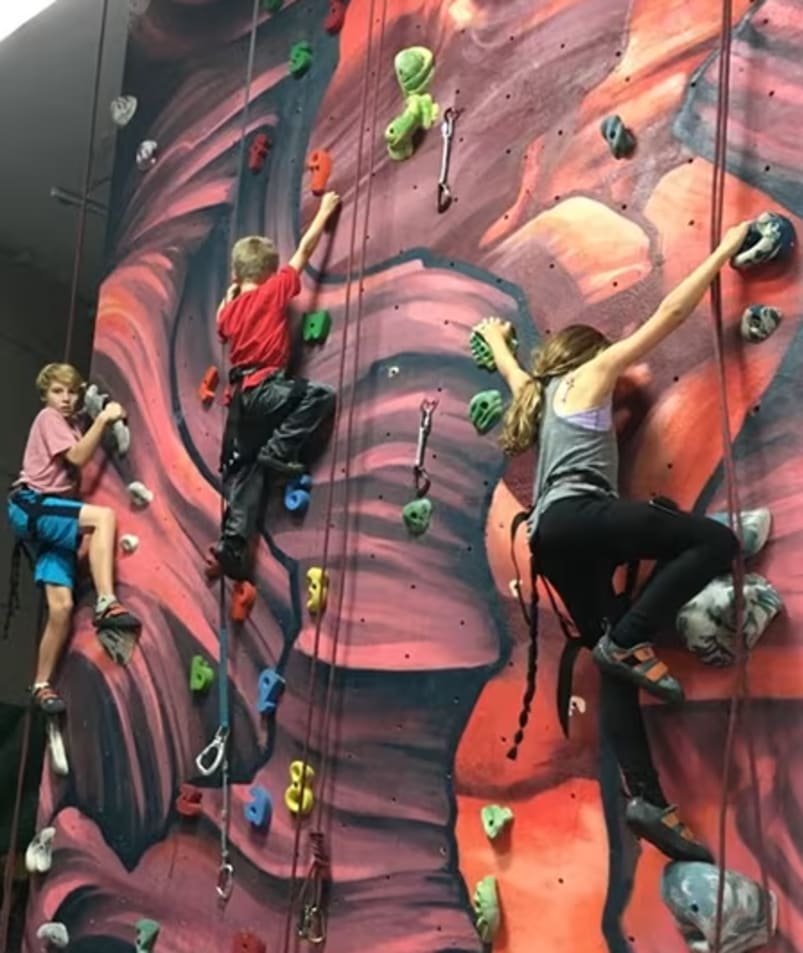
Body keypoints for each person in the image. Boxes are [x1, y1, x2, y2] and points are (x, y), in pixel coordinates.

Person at [474, 220, 752, 862]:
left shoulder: (540, 396)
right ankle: (630, 640)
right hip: (581, 519)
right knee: (713, 543)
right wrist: (726, 246)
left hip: (550, 540)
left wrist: (499, 342)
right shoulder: (593, 372)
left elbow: (518, 376)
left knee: (612, 662)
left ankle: (646, 797)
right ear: (585, 353)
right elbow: (671, 311)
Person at [214, 191, 341, 580]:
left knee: (249, 469)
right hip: (266, 387)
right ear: (269, 273)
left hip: (241, 403)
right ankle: (280, 448)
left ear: (236, 276)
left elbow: (221, 318)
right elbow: (304, 250)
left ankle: (233, 544)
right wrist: (323, 212)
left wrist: (230, 293)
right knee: (319, 395)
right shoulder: (274, 289)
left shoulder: (230, 311)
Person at [6, 363, 141, 714]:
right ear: (45, 395)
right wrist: (105, 419)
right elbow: (79, 455)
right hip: (33, 505)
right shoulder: (48, 419)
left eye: (71, 392)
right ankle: (106, 601)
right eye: (57, 392)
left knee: (61, 607)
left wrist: (103, 411)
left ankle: (41, 685)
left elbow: (87, 421)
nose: (65, 399)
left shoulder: (71, 422)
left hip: (49, 523)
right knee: (102, 518)